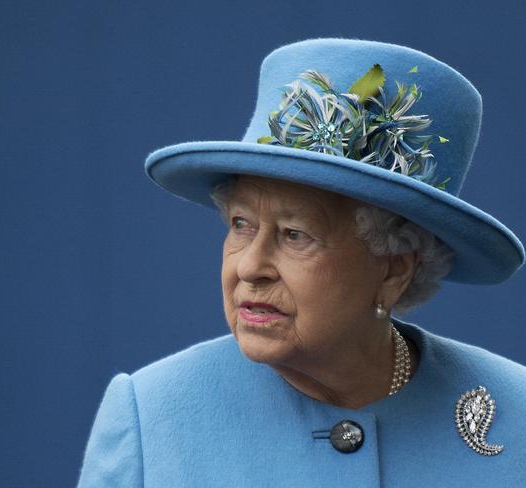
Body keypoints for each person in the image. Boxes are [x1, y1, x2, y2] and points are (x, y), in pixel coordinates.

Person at [76, 38, 526, 487]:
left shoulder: (516, 412)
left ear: (394, 268)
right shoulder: (149, 416)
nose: (250, 267)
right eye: (240, 224)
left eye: (295, 235)